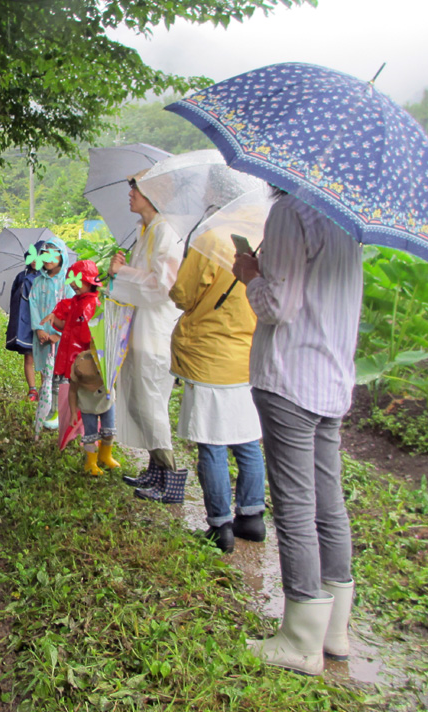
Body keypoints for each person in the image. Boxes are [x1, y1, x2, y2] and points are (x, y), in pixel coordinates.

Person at [232, 187, 362, 676]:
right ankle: (335, 631)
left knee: (293, 506)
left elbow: (277, 307)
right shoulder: (345, 218)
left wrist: (249, 274)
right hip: (331, 377)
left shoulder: (290, 211)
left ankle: (300, 639)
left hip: (289, 377)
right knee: (329, 502)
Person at [166, 233, 266, 553]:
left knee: (212, 442)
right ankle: (252, 518)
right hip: (246, 354)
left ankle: (220, 525)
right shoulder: (263, 238)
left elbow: (183, 294)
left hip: (209, 353)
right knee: (247, 438)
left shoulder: (212, 238)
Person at [108, 172, 186, 502]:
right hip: (139, 328)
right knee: (142, 399)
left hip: (157, 330)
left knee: (153, 402)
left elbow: (162, 285)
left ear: (152, 194)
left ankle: (170, 479)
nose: (130, 195)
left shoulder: (166, 232)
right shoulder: (146, 231)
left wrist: (121, 272)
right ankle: (155, 469)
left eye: (135, 190)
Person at [45, 259, 120, 476]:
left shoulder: (93, 303)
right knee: (84, 408)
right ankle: (91, 457)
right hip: (80, 366)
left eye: (80, 280)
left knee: (106, 413)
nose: (75, 284)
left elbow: (91, 333)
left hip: (93, 366)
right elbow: (65, 326)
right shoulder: (75, 302)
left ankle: (104, 453)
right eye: (73, 280)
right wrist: (55, 320)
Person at [28, 236, 74, 435]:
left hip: (61, 338)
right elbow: (33, 304)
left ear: (62, 256)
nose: (48, 258)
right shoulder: (38, 281)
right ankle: (47, 411)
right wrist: (39, 329)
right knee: (46, 374)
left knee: (60, 376)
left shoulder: (68, 282)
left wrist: (57, 333)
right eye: (44, 254)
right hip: (42, 337)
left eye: (53, 254)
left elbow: (71, 309)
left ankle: (57, 411)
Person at [5, 240, 47, 402]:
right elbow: (14, 300)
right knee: (29, 357)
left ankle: (45, 389)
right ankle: (32, 389)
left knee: (43, 358)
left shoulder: (46, 279)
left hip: (42, 324)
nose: (36, 261)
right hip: (25, 324)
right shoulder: (21, 277)